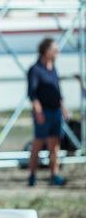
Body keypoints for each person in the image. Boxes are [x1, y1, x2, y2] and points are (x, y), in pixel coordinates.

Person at [27, 38, 69, 186]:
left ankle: (54, 175)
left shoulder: (53, 69)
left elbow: (57, 91)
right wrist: (38, 112)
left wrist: (63, 108)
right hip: (43, 112)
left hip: (55, 111)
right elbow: (32, 93)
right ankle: (32, 175)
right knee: (38, 145)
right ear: (46, 51)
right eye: (54, 49)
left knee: (55, 146)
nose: (57, 52)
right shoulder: (35, 69)